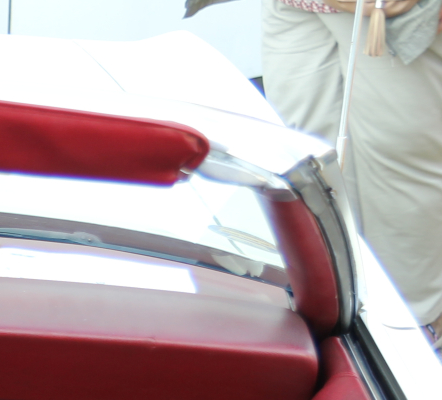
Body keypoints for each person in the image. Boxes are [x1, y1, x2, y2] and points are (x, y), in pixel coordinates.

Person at [189, 0, 442, 345]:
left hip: (387, 12)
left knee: (397, 158)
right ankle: (338, 308)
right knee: (303, 159)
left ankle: (414, 322)